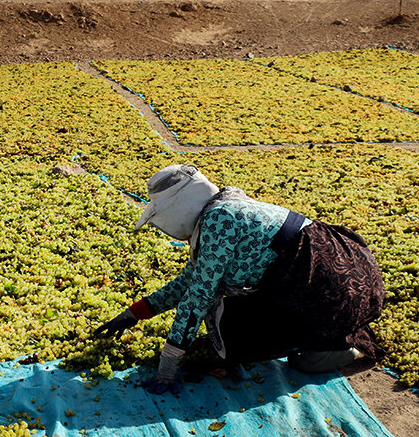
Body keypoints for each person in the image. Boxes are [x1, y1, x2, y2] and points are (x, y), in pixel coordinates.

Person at [93, 164, 385, 393]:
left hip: (335, 286)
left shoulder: (219, 220)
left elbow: (197, 298)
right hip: (343, 274)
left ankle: (340, 346)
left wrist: (168, 365)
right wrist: (133, 314)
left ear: (178, 208)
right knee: (229, 314)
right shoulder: (223, 210)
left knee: (292, 358)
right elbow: (189, 282)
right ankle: (331, 335)